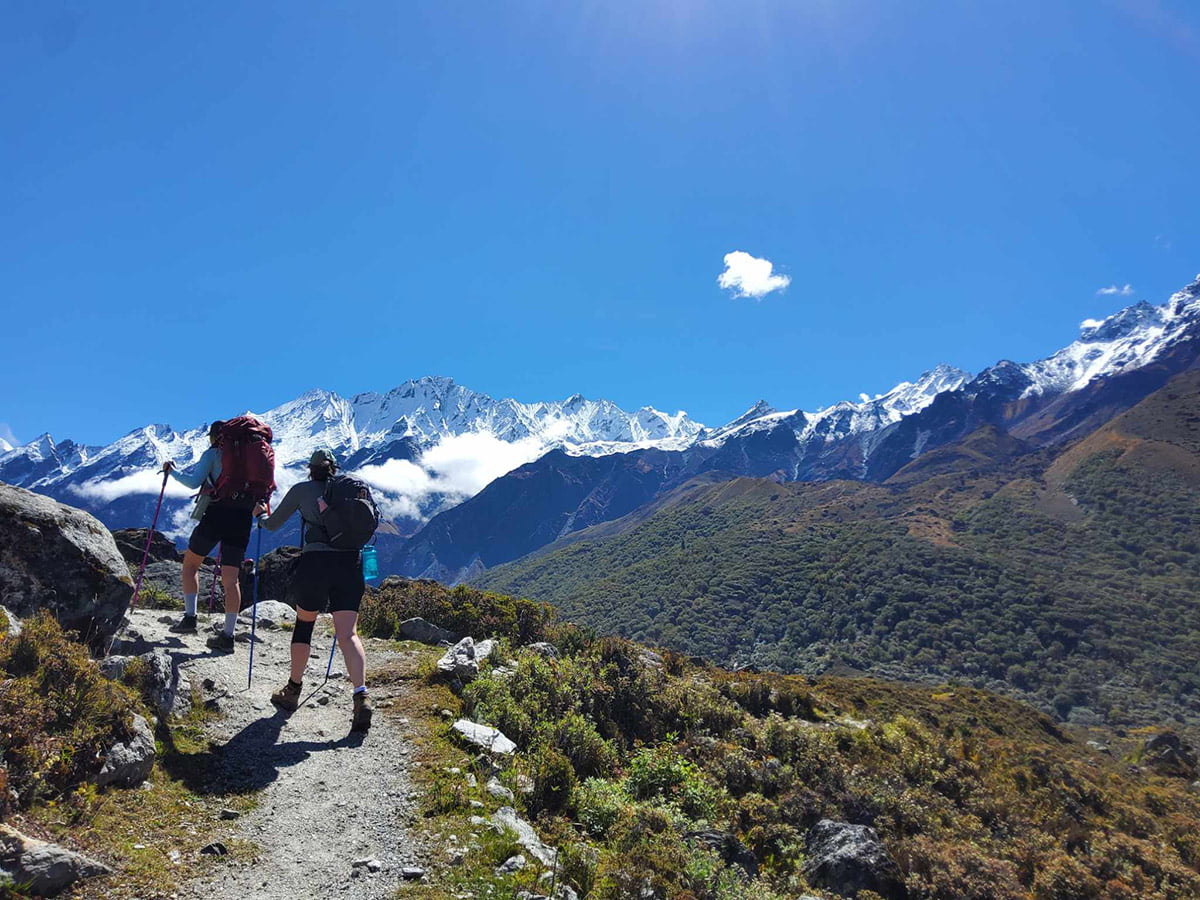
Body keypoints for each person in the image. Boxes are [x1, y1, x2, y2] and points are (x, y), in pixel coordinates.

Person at [254, 449, 373, 733]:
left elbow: (271, 524)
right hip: (351, 563)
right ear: (334, 469)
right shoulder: (350, 490)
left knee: (304, 625)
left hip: (316, 563)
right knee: (348, 634)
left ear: (311, 469)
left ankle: (293, 690)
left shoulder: (301, 490)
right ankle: (361, 696)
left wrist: (259, 514)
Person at [162, 420, 252, 651]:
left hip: (216, 514)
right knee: (231, 580)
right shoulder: (249, 456)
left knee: (191, 565)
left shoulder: (213, 454)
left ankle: (190, 618)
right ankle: (228, 636)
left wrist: (172, 472)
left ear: (214, 437)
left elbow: (193, 482)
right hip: (242, 519)